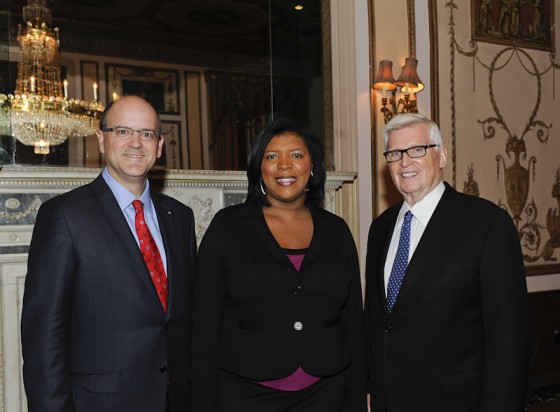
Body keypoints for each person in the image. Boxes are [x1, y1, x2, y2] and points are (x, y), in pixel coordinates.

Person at [21, 95, 196, 411]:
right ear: (101, 140)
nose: (135, 143)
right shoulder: (65, 215)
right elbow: (44, 339)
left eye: (146, 134)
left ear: (159, 146)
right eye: (123, 131)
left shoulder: (180, 217)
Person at [192, 118, 366, 412]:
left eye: (296, 155)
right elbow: (203, 325)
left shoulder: (337, 230)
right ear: (259, 167)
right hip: (246, 396)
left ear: (312, 166)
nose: (284, 165)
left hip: (328, 394)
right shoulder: (228, 227)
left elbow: (353, 322)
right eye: (272, 156)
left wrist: (359, 396)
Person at [364, 113, 529, 411]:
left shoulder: (487, 224)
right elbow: (377, 323)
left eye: (417, 149)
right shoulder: (380, 229)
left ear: (440, 156)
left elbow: (508, 338)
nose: (404, 162)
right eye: (394, 154)